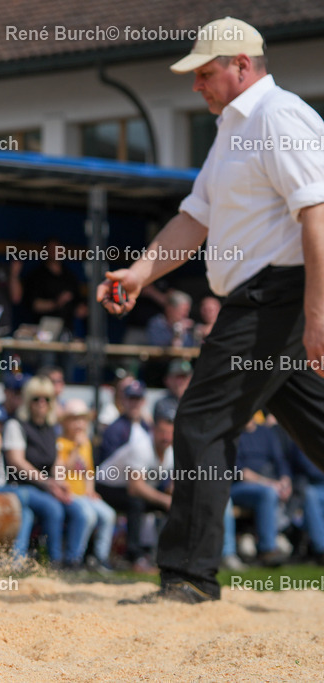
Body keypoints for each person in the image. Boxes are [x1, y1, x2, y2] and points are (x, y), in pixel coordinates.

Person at [101, 17, 324, 603]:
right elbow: (194, 218)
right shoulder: (233, 128)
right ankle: (191, 575)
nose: (196, 84)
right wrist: (139, 272)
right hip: (264, 298)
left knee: (200, 422)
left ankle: (189, 577)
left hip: (277, 296)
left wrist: (318, 313)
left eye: (205, 72)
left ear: (242, 65)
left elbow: (318, 213)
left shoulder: (279, 116)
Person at [3, 376, 88, 566]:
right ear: (27, 400)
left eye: (47, 399)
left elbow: (56, 461)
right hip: (21, 486)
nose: (42, 403)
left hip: (46, 487)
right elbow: (16, 462)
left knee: (79, 511)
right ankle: (54, 561)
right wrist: (48, 483)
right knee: (53, 508)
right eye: (36, 398)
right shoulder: (15, 425)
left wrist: (60, 483)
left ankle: (73, 561)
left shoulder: (51, 428)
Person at [55, 399, 115, 571]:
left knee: (108, 514)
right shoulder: (60, 443)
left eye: (82, 420)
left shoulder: (86, 443)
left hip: (83, 495)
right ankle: (74, 558)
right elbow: (60, 471)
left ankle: (100, 557)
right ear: (65, 422)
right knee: (88, 515)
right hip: (68, 494)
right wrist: (75, 448)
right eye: (74, 420)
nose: (79, 424)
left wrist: (91, 490)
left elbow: (89, 472)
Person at [230, 417, 291, 565]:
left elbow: (280, 460)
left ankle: (279, 536)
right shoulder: (233, 434)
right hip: (238, 487)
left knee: (279, 492)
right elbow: (241, 472)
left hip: (270, 485)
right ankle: (268, 549)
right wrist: (270, 483)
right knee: (268, 493)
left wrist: (285, 480)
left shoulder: (265, 433)